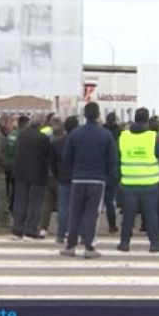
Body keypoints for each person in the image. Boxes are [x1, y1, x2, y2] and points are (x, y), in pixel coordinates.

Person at [60, 104, 118, 258]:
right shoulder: (106, 135)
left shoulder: (75, 134)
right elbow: (113, 159)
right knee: (92, 213)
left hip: (78, 178)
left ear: (84, 115)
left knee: (75, 212)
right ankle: (89, 247)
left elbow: (66, 157)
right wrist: (108, 176)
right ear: (98, 115)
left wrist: (75, 170)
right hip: (97, 179)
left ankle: (70, 245)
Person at [115, 107, 159, 253]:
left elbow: (117, 160)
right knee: (151, 214)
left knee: (128, 215)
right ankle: (154, 243)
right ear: (147, 120)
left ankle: (124, 242)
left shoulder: (124, 136)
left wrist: (120, 178)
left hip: (128, 183)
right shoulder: (154, 137)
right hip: (150, 183)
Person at [12, 114, 51, 240]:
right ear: (40, 125)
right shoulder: (43, 138)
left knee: (20, 202)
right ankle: (30, 229)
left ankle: (18, 229)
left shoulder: (21, 135)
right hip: (37, 174)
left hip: (20, 173)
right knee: (35, 203)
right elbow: (48, 155)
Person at [51, 116, 78, 244]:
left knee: (63, 208)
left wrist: (58, 175)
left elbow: (52, 163)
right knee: (78, 208)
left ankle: (61, 234)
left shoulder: (57, 143)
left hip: (63, 178)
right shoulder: (79, 143)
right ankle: (77, 233)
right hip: (77, 178)